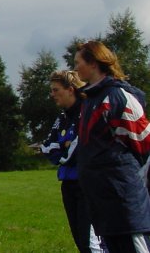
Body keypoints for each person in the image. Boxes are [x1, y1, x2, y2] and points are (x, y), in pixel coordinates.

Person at [75, 40, 150, 252]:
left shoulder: (116, 97)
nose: (75, 68)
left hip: (125, 204)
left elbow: (144, 143)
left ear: (93, 63)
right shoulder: (89, 100)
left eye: (78, 62)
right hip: (104, 204)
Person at [38, 70, 103, 253]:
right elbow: (47, 147)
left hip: (87, 183)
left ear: (70, 90)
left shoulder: (87, 112)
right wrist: (63, 146)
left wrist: (63, 150)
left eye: (56, 90)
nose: (52, 94)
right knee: (81, 242)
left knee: (91, 242)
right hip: (68, 183)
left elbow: (76, 150)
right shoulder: (62, 118)